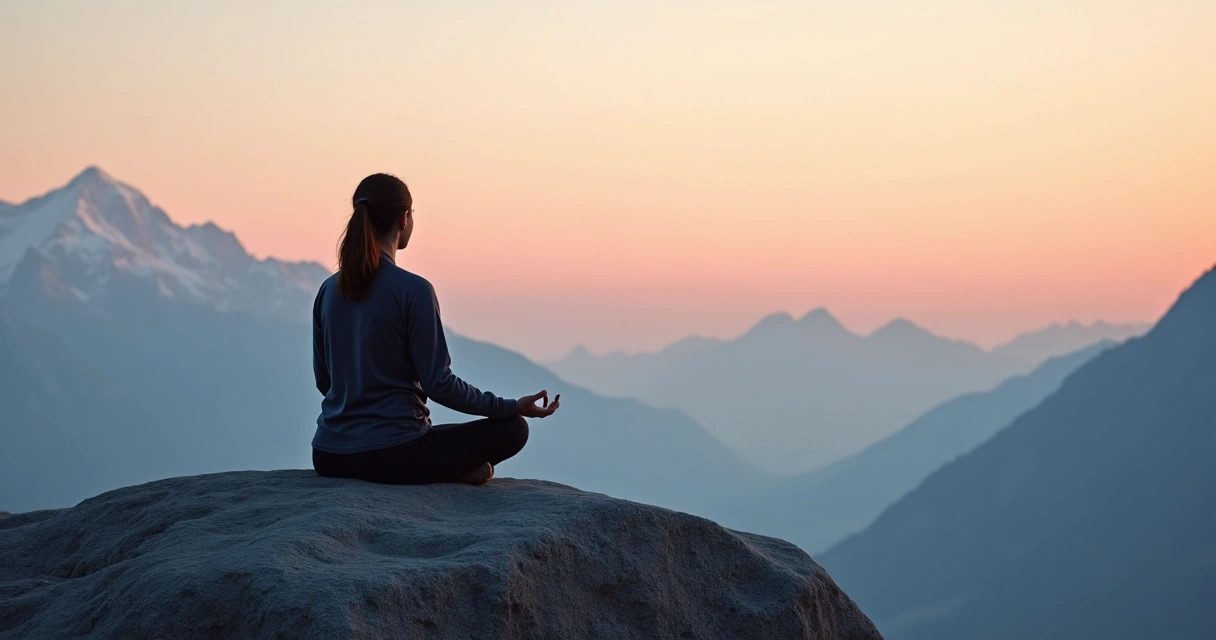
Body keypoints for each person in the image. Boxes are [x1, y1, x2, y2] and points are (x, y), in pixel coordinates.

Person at [310, 173, 560, 486]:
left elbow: (325, 382)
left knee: (432, 442)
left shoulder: (328, 290)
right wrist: (509, 407)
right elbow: (439, 384)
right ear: (404, 218)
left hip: (329, 455)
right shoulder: (413, 291)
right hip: (393, 454)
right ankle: (450, 471)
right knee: (514, 429)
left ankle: (448, 469)